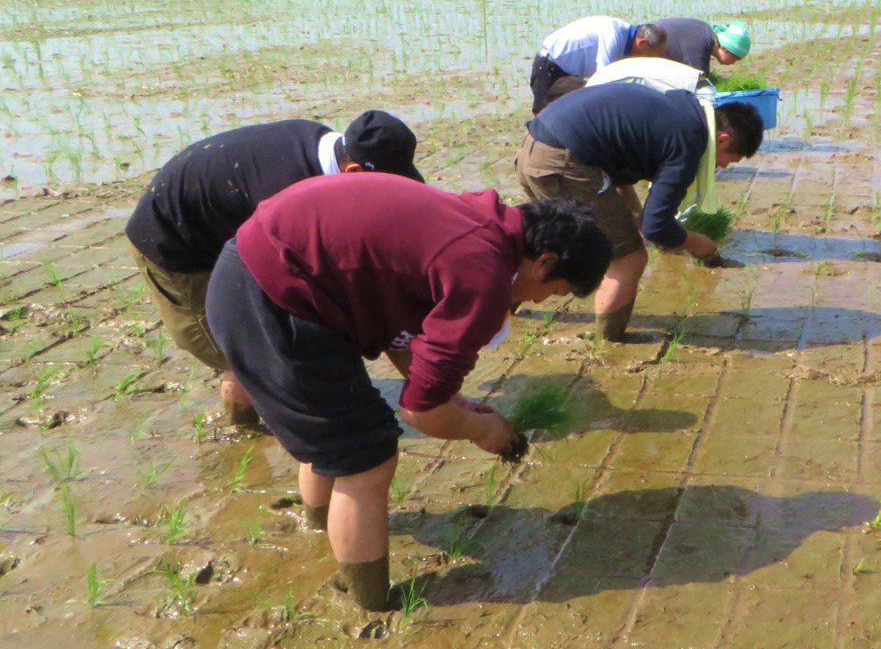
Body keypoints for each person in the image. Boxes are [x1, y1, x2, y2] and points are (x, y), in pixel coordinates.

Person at [206, 178, 610, 610]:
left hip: (257, 272)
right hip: (274, 296)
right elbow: (420, 413)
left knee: (333, 430)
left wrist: (451, 400)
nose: (540, 300)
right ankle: (371, 601)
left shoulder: (482, 219)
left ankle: (323, 527)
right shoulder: (484, 272)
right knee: (366, 458)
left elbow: (401, 333)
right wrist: (484, 430)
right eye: (554, 291)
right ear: (545, 261)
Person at [125, 111, 424, 429]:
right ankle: (246, 433)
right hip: (175, 245)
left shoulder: (323, 147)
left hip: (225, 225)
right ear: (354, 170)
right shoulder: (289, 192)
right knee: (243, 355)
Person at [514, 80, 764, 342]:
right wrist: (699, 243)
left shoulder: (684, 109)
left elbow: (616, 166)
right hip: (563, 160)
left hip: (535, 147)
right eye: (730, 160)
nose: (723, 167)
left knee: (543, 246)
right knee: (629, 258)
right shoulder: (689, 141)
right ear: (723, 139)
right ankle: (609, 342)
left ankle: (500, 310)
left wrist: (635, 214)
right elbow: (657, 228)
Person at [528, 17, 668, 113]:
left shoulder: (626, 40)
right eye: (653, 55)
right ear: (642, 43)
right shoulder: (613, 37)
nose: (651, 60)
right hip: (549, 67)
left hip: (570, 74)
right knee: (544, 116)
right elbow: (602, 81)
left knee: (570, 115)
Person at [650, 17, 752, 76]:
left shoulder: (705, 32)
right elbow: (699, 86)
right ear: (724, 48)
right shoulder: (699, 47)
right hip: (642, 50)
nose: (734, 63)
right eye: (736, 57)